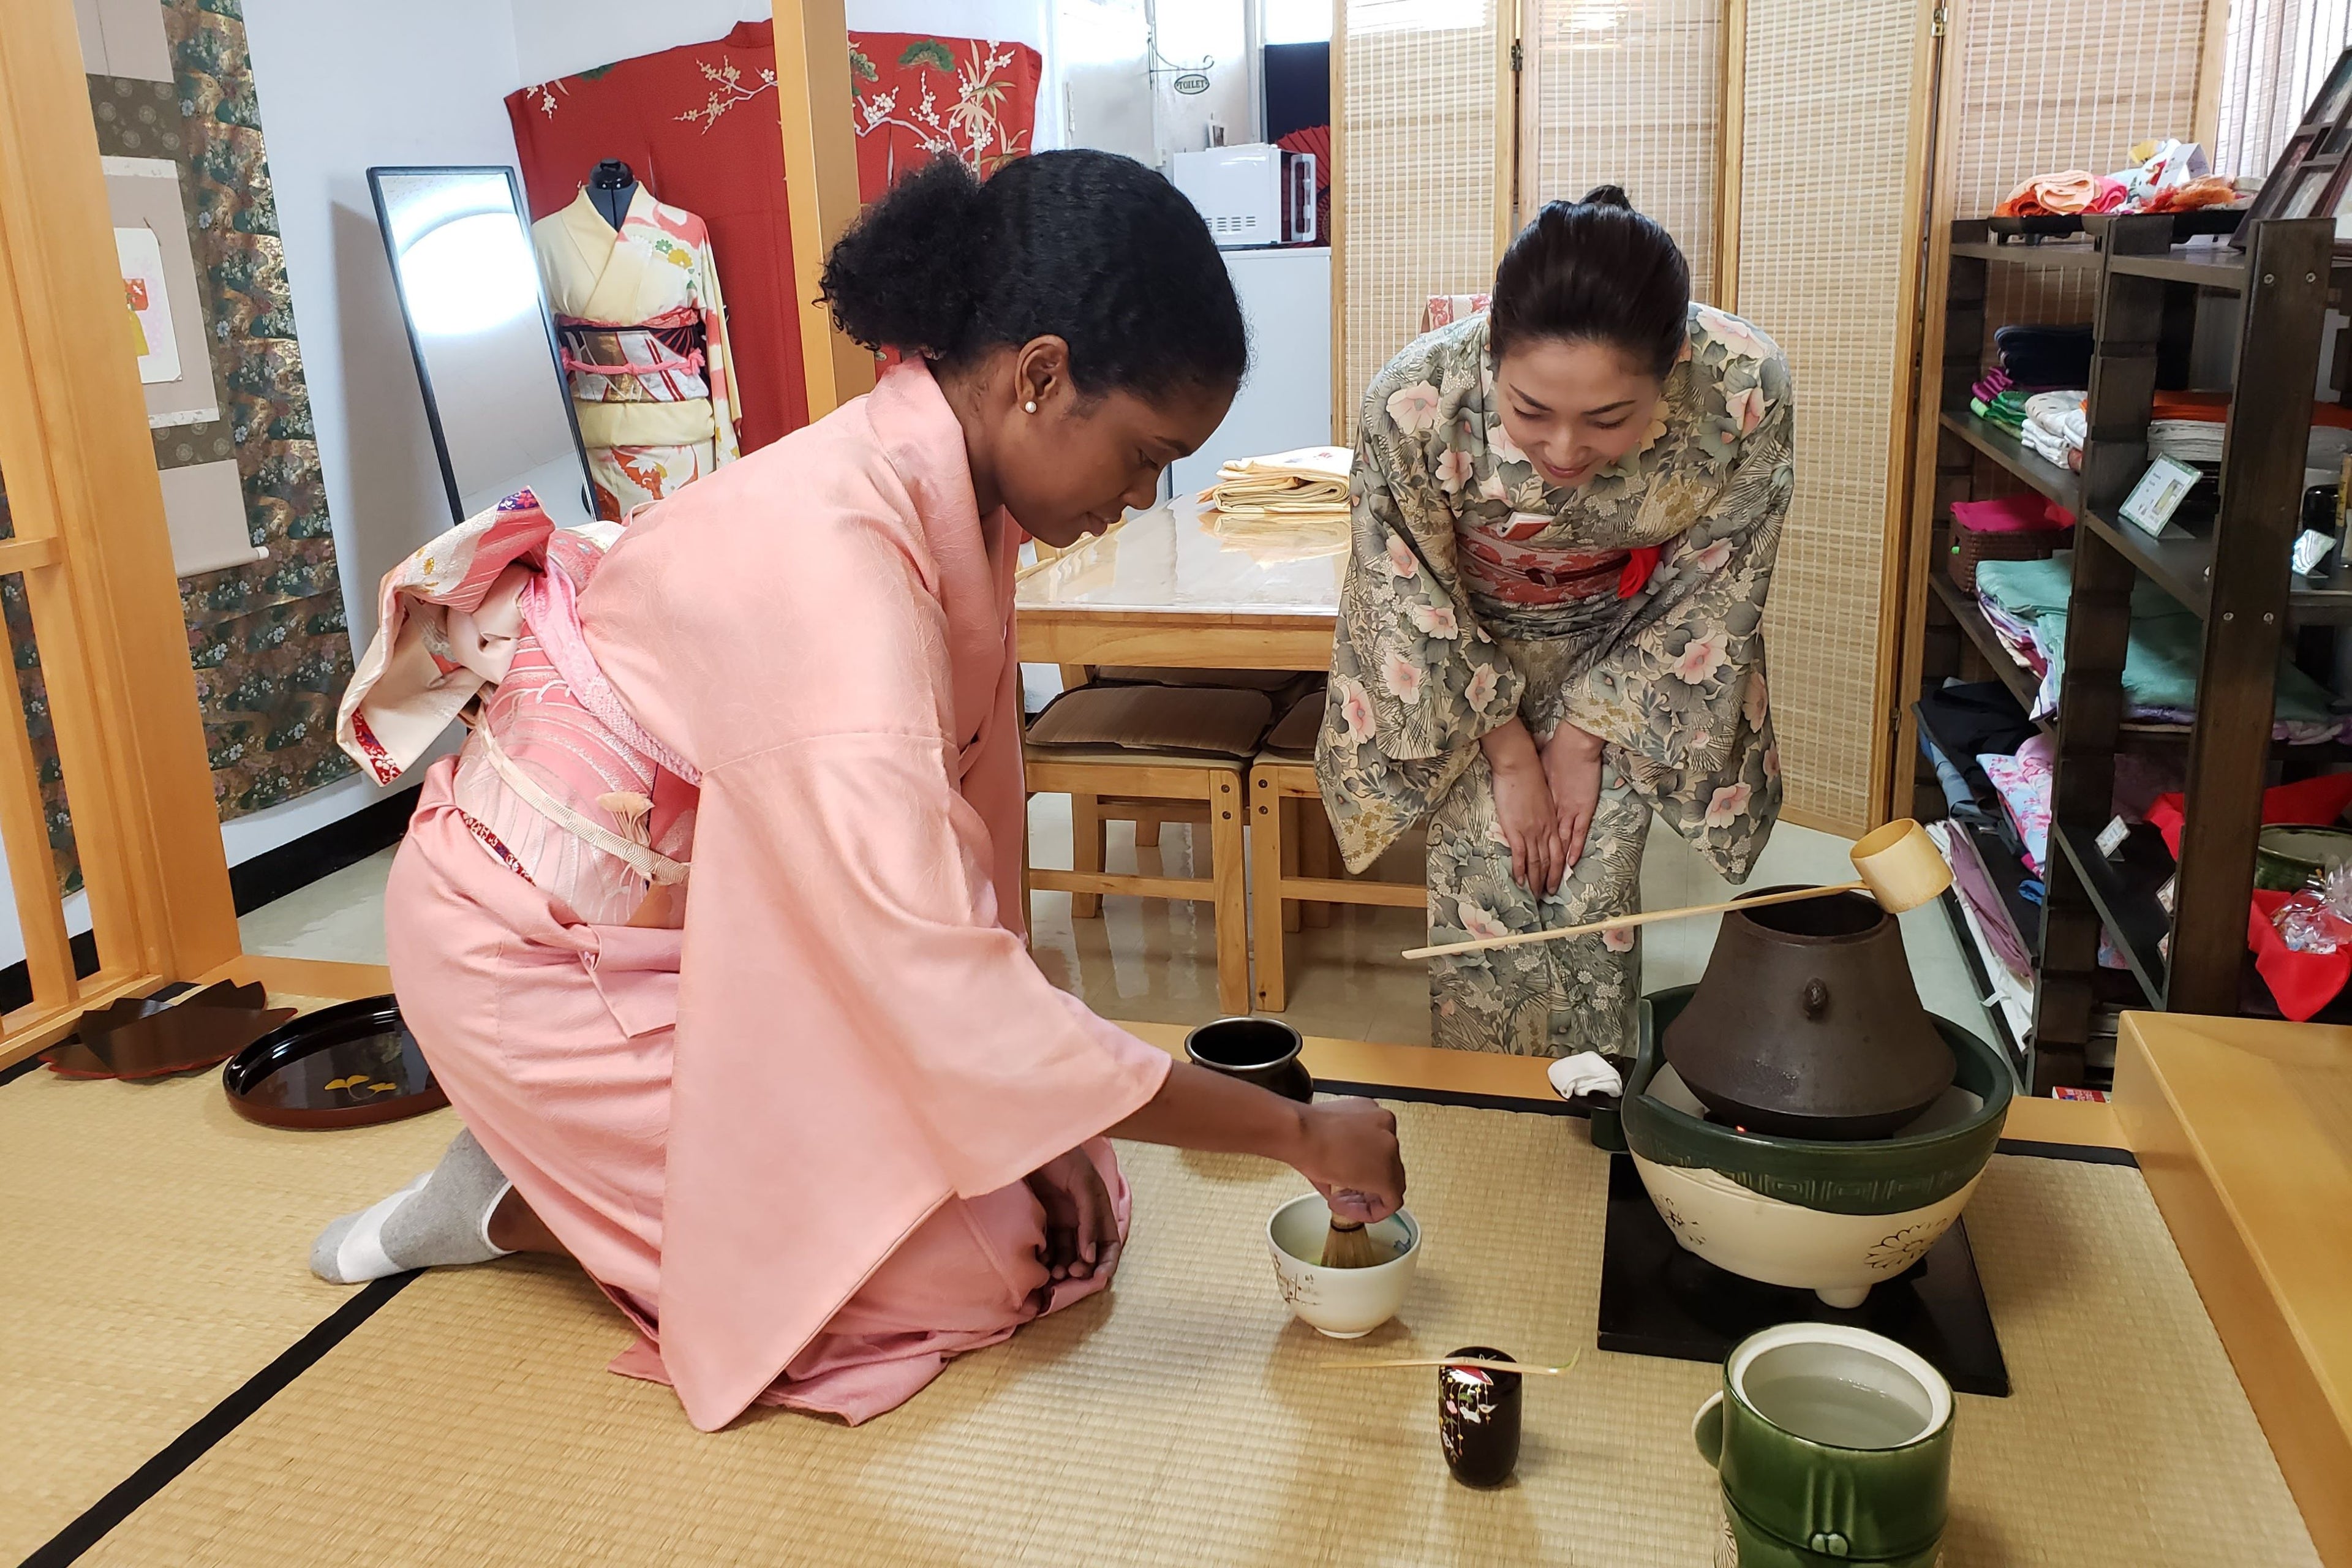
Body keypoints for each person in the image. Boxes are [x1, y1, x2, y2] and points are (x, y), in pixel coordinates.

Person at [310, 151, 1407, 1432]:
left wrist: (1017, 1058)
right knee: (989, 1266)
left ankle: (596, 1163)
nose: (1139, 495)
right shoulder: (840, 561)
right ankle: (511, 1199)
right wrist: (1294, 1131)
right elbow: (934, 971)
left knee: (1072, 1194)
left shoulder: (954, 480)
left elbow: (959, 852)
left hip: (711, 923)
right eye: (1145, 452)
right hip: (534, 955)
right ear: (1040, 375)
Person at [1316, 186, 1795, 1058]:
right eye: (1530, 412)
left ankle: (1594, 1115)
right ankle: (1489, 1127)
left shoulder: (1739, 389)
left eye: (1608, 419)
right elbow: (1403, 591)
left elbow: (1715, 583)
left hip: (1632, 652)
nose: (1566, 450)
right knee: (1487, 895)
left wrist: (1582, 736)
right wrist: (1508, 750)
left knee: (1591, 890)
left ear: (1675, 362)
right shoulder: (1417, 397)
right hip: (1460, 655)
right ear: (1492, 348)